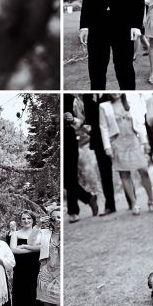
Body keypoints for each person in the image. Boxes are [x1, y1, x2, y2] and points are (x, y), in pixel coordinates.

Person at [99, 94, 153, 215]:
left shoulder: (130, 104)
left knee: (144, 170)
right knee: (124, 174)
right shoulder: (104, 106)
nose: (115, 93)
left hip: (133, 140)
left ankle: (151, 201)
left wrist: (145, 142)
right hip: (117, 142)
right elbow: (103, 127)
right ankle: (134, 203)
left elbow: (139, 123)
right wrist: (107, 147)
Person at [8, 211, 47, 306]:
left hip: (36, 267)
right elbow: (13, 250)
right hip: (21, 269)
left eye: (29, 218)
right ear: (20, 221)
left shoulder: (40, 232)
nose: (26, 221)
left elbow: (43, 247)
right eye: (23, 218)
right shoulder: (15, 234)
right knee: (21, 296)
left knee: (35, 296)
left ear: (33, 220)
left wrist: (24, 247)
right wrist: (32, 249)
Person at [63, 95, 98, 223]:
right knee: (65, 180)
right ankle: (89, 198)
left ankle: (73, 211)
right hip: (56, 140)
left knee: (71, 176)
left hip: (69, 139)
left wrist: (72, 119)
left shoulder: (69, 98)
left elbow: (82, 120)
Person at [81, 94, 116, 215]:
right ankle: (110, 205)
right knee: (105, 173)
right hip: (98, 140)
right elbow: (88, 120)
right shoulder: (87, 97)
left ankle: (132, 201)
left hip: (114, 137)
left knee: (123, 169)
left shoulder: (110, 95)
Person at [36, 207, 61, 306]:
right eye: (55, 217)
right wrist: (38, 226)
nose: (58, 220)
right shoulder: (44, 233)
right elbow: (32, 240)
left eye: (60, 217)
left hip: (62, 273)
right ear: (50, 220)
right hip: (46, 271)